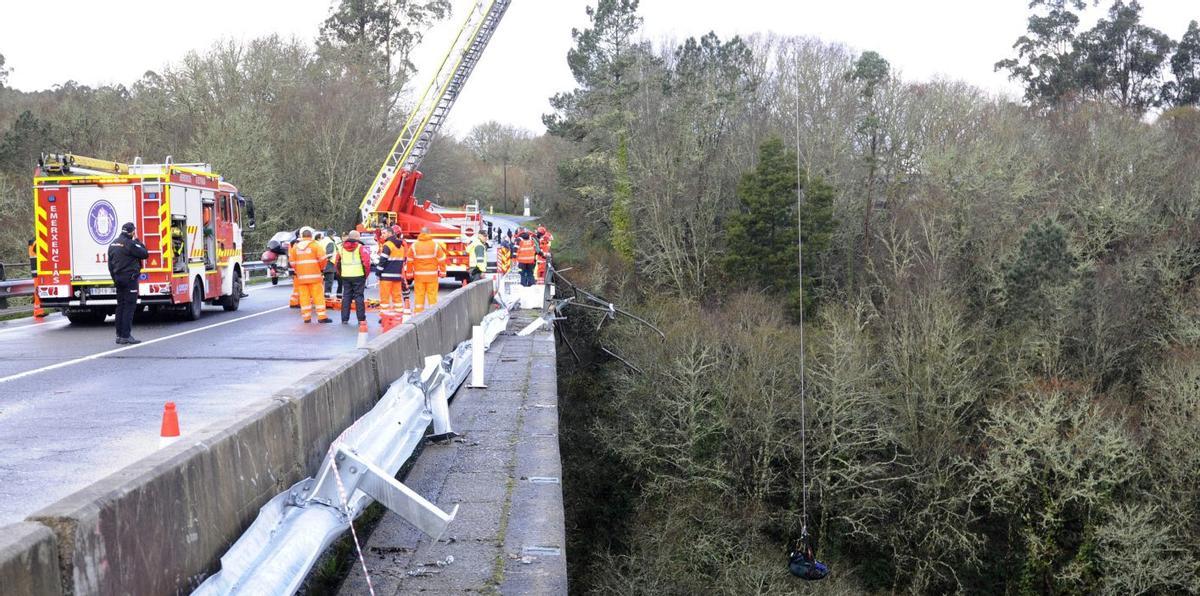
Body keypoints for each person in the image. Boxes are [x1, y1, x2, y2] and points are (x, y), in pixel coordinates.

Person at [107, 222, 149, 344]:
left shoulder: (113, 244)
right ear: (132, 232)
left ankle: (119, 336)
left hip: (118, 279)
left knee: (120, 306)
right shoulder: (130, 244)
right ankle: (126, 335)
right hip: (130, 279)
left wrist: (114, 279)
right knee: (129, 307)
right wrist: (139, 241)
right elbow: (145, 254)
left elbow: (110, 265)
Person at [288, 228, 331, 323]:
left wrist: (298, 270)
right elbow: (323, 259)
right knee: (318, 297)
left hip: (301, 278)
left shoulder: (295, 247)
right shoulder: (316, 245)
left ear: (302, 236)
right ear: (311, 236)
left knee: (304, 298)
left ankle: (306, 318)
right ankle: (321, 317)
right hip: (315, 277)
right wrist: (321, 268)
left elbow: (292, 262)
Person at [405, 227, 447, 313]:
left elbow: (409, 260)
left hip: (419, 277)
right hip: (432, 277)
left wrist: (409, 274)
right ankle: (433, 314)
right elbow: (442, 260)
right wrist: (443, 272)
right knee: (432, 297)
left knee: (419, 296)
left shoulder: (414, 245)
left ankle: (418, 315)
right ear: (429, 233)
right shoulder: (435, 245)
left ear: (420, 233)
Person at [334, 230, 372, 325]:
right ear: (357, 237)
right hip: (358, 275)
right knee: (359, 297)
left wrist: (341, 273)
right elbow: (366, 263)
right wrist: (365, 275)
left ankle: (344, 319)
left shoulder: (341, 248)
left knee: (346, 297)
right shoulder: (360, 247)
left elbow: (337, 263)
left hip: (346, 276)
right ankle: (361, 319)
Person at [377, 227, 407, 314]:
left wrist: (378, 273)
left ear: (390, 234)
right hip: (396, 276)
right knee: (397, 296)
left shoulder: (387, 245)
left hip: (386, 276)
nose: (382, 235)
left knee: (384, 297)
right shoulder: (401, 246)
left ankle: (384, 315)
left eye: (384, 233)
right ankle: (399, 314)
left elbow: (382, 261)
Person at [317, 231, 338, 298]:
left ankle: (319, 296)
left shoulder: (321, 241)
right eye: (333, 235)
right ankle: (327, 297)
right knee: (329, 281)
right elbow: (329, 254)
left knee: (320, 282)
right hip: (329, 264)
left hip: (320, 263)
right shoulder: (330, 242)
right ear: (331, 235)